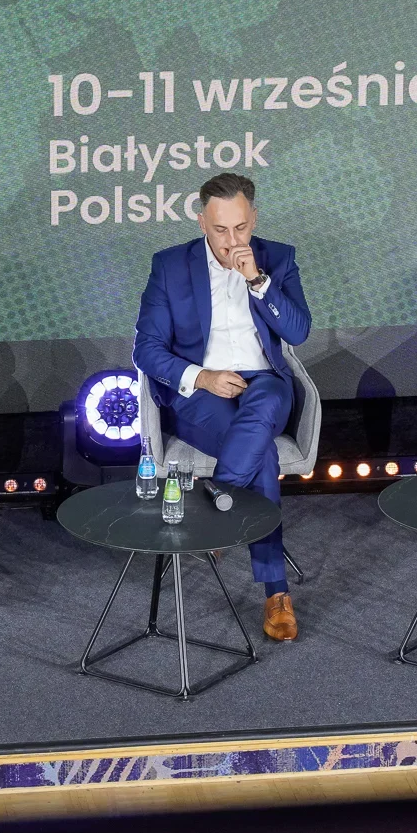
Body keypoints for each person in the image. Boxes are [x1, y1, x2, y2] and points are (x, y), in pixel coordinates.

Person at [134, 173, 312, 642]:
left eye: (241, 227)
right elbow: (146, 350)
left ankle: (213, 516)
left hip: (265, 383)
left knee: (264, 406)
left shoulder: (278, 258)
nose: (232, 240)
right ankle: (276, 593)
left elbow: (298, 331)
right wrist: (202, 377)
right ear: (201, 222)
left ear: (254, 218)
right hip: (202, 389)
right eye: (219, 229)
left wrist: (257, 281)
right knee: (262, 453)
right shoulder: (170, 266)